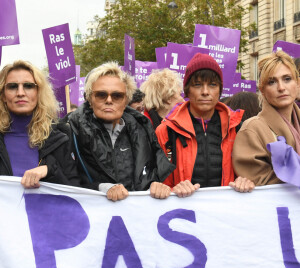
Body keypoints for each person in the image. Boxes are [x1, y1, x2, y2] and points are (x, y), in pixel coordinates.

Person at [66, 61, 175, 201]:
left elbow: (149, 176)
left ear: (126, 100)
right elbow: (65, 182)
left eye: (117, 96)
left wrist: (156, 185)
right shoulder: (70, 132)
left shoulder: (144, 131)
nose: (109, 100)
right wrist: (102, 188)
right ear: (89, 99)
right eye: (101, 95)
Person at [155, 53, 254, 196]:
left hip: (226, 213)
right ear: (187, 90)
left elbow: (249, 173)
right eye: (198, 85)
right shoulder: (166, 131)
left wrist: (246, 181)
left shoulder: (238, 128)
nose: (205, 92)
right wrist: (172, 189)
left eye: (212, 85)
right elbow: (161, 182)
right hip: (184, 212)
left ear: (220, 90)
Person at [0, 60, 80, 188]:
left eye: (28, 86)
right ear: (3, 95)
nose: (20, 93)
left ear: (39, 92)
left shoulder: (61, 136)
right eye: (12, 86)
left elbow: (76, 190)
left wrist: (49, 170)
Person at [233, 50, 300, 185]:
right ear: (262, 90)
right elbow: (260, 185)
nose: (281, 87)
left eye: (287, 79)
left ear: (297, 83)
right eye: (272, 82)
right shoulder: (252, 129)